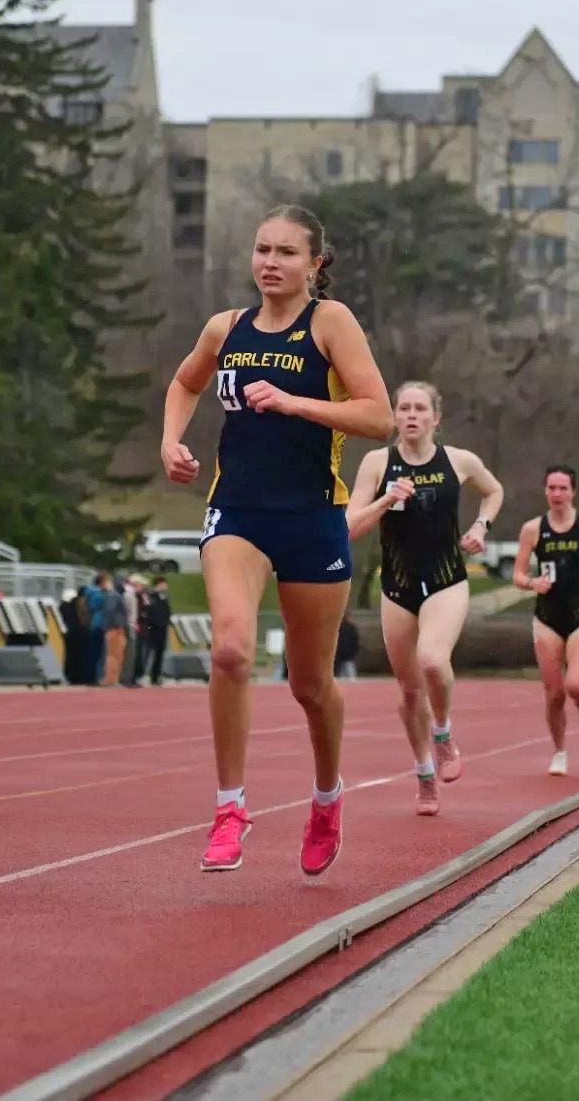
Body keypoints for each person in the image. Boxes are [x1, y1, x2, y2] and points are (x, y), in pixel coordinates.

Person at [160, 203, 392, 876]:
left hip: (313, 517)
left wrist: (295, 403)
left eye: (286, 252)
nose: (270, 262)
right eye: (262, 249)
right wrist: (171, 441)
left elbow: (377, 416)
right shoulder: (225, 327)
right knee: (231, 649)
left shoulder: (330, 322)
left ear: (314, 263)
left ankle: (326, 799)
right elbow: (185, 382)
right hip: (236, 511)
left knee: (309, 683)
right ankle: (229, 808)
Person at [345, 380, 505, 816]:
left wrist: (481, 527)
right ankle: (424, 775)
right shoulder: (378, 463)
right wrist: (384, 501)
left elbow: (494, 491)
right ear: (395, 417)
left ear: (436, 417)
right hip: (397, 587)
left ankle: (444, 733)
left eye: (420, 409)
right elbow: (350, 526)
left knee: (433, 660)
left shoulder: (459, 461)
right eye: (404, 408)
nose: (411, 415)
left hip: (446, 580)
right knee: (409, 690)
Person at [513, 465, 579, 775]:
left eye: (563, 488)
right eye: (552, 488)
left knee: (575, 685)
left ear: (574, 492)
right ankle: (559, 751)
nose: (557, 494)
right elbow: (517, 574)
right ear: (545, 491)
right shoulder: (532, 529)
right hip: (547, 618)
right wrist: (531, 583)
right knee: (553, 694)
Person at [134, 575, 173, 686]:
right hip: (151, 628)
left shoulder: (164, 597)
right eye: (163, 584)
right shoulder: (151, 596)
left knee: (160, 652)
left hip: (162, 627)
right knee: (147, 652)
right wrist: (149, 626)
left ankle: (155, 676)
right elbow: (148, 612)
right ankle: (140, 674)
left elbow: (167, 611)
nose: (165, 586)